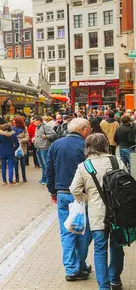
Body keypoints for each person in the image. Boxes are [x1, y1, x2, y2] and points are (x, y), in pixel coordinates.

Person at [70, 133, 126, 290]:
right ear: (105, 144)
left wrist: (87, 199)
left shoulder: (84, 166)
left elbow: (74, 189)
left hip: (97, 214)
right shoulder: (116, 161)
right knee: (117, 247)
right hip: (117, 213)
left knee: (100, 250)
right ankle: (115, 278)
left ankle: (104, 286)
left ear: (88, 147)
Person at [45, 118, 92, 283]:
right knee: (83, 232)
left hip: (63, 194)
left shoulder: (56, 144)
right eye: (90, 129)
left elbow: (49, 170)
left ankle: (71, 270)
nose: (91, 132)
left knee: (67, 232)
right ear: (84, 129)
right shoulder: (87, 146)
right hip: (82, 195)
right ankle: (80, 266)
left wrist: (52, 191)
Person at [32, 116, 57, 185]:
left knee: (46, 165)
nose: (33, 123)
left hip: (44, 148)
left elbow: (54, 134)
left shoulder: (45, 126)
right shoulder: (37, 127)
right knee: (42, 165)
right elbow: (38, 136)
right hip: (38, 148)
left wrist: (46, 136)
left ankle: (48, 180)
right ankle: (43, 179)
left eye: (34, 121)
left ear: (38, 121)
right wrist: (34, 139)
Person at [11, 117, 29, 183]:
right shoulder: (11, 129)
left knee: (23, 164)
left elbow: (27, 138)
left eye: (15, 122)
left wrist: (20, 140)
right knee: (15, 164)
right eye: (13, 122)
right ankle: (17, 178)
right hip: (14, 149)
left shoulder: (24, 129)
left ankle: (24, 177)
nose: (13, 123)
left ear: (18, 122)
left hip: (22, 148)